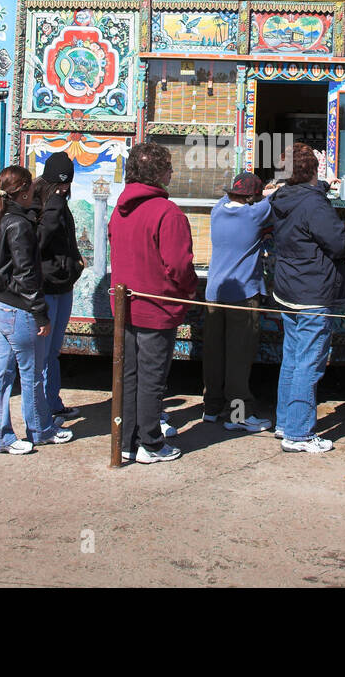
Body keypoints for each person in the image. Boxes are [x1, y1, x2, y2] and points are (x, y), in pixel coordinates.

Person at [109, 142, 197, 464]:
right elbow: (179, 265)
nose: (172, 173)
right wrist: (189, 291)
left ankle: (129, 440)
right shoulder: (167, 213)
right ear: (159, 173)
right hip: (155, 308)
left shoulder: (119, 210)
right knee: (151, 378)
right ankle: (150, 442)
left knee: (129, 376)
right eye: (169, 167)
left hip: (125, 307)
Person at [269, 142, 345, 453]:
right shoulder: (314, 204)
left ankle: (285, 422)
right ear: (313, 172)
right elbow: (338, 243)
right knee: (309, 363)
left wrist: (321, 190)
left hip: (289, 287)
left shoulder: (282, 197)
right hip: (313, 291)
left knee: (292, 360)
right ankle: (299, 434)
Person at [0, 165, 72, 454]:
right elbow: (26, 274)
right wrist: (40, 313)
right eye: (31, 187)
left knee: (0, 374)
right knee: (31, 374)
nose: (35, 191)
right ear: (22, 192)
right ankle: (41, 429)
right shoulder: (19, 225)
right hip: (18, 309)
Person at [202, 171, 275, 433]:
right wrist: (270, 191)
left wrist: (258, 192)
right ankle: (238, 414)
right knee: (238, 358)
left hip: (214, 294)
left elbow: (239, 197)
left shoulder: (218, 210)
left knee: (214, 354)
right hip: (242, 296)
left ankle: (211, 408)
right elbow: (276, 197)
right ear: (252, 197)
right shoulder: (254, 215)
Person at [32, 151, 85, 424]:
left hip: (63, 285)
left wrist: (76, 266)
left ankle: (53, 402)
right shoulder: (42, 204)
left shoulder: (60, 202)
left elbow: (68, 241)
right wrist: (52, 208)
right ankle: (42, 410)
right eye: (59, 184)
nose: (64, 189)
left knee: (53, 350)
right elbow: (37, 244)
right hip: (47, 287)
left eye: (67, 184)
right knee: (42, 352)